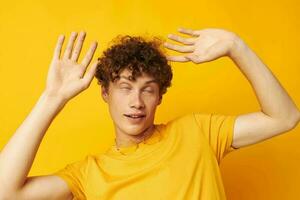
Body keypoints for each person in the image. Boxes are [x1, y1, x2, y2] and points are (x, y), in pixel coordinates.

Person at [0, 28, 299, 200]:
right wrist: (51, 99)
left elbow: (284, 117)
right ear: (105, 93)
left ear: (160, 96)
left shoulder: (197, 131)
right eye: (125, 87)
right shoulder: (88, 174)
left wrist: (237, 47)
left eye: (148, 89)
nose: (136, 102)